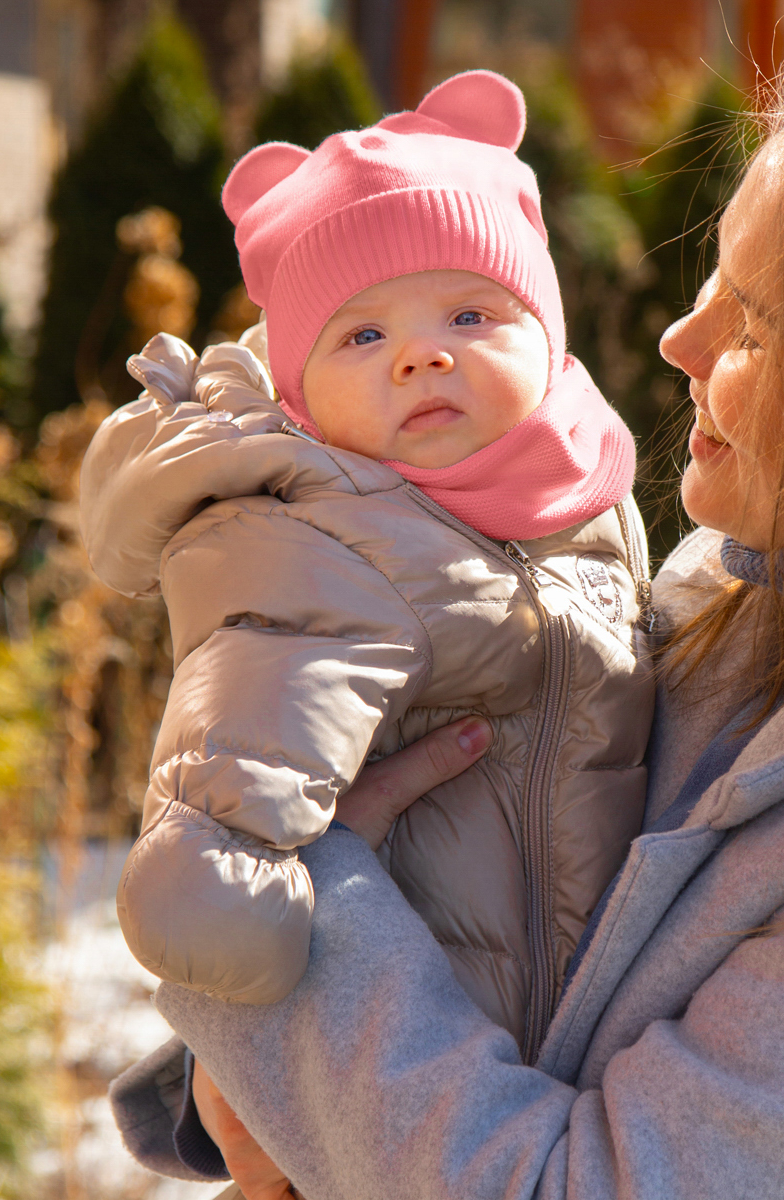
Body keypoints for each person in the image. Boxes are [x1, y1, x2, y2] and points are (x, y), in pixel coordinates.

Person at [107, 46, 784, 1198]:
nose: (681, 342)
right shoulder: (716, 609)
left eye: (755, 326)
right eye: (708, 283)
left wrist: (303, 921)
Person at [80, 67, 655, 1076]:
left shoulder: (580, 492)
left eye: (471, 316)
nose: (421, 357)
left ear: (547, 333)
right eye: (365, 334)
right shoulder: (322, 541)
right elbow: (245, 740)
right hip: (400, 1054)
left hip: (571, 1042)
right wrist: (222, 899)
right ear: (302, 395)